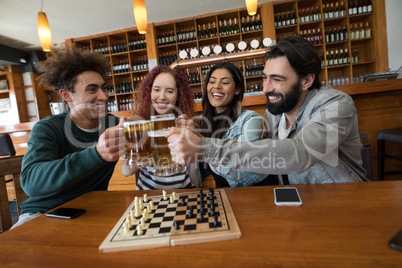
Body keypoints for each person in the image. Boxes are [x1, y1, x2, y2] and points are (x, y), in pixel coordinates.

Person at [167, 36, 368, 184]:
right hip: (300, 204)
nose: (265, 88)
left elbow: (300, 153)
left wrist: (205, 148)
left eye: (277, 79)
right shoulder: (274, 114)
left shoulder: (335, 104)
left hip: (345, 202)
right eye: (265, 77)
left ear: (306, 80)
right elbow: (264, 162)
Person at [13, 44, 125, 228]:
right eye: (92, 89)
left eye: (104, 88)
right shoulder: (48, 128)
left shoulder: (115, 125)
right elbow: (31, 182)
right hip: (44, 213)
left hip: (93, 212)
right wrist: (96, 154)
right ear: (66, 95)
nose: (104, 96)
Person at [121, 65, 201, 189]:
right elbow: (126, 172)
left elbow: (196, 182)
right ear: (149, 92)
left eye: (169, 91)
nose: (162, 96)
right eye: (156, 89)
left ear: (179, 95)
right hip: (148, 198)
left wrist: (193, 142)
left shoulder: (185, 125)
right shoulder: (140, 124)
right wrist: (138, 147)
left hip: (183, 196)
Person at [196, 62, 273, 187]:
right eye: (212, 82)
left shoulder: (251, 120)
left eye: (225, 82)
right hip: (225, 192)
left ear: (237, 89)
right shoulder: (201, 123)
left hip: (255, 191)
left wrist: (202, 147)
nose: (216, 86)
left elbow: (238, 172)